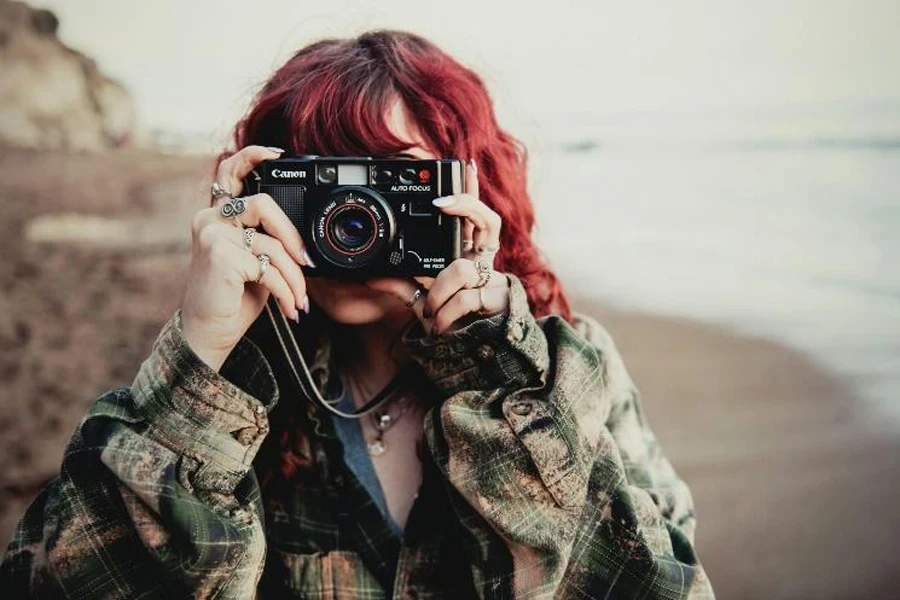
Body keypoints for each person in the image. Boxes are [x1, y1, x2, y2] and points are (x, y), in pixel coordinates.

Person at [0, 30, 714, 599]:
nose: (353, 220)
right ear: (256, 189)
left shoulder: (564, 372)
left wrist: (496, 375)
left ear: (475, 194)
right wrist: (204, 357)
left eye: (396, 182)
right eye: (319, 180)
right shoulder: (221, 387)